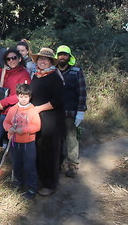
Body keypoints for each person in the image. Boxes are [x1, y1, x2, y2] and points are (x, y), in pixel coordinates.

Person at [30, 48, 65, 196]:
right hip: (37, 119)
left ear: (51, 62)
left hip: (51, 121)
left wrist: (38, 109)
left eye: (46, 59)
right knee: (39, 150)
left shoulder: (54, 77)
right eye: (40, 59)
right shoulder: (37, 76)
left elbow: (58, 100)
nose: (42, 61)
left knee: (49, 152)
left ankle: (50, 184)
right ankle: (41, 179)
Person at [3, 84, 41, 200]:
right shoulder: (13, 109)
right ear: (17, 96)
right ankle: (18, 183)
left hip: (28, 143)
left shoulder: (32, 110)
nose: (23, 99)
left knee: (29, 166)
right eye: (21, 96)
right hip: (15, 142)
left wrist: (23, 130)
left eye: (26, 96)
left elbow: (37, 126)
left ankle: (31, 188)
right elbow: (6, 122)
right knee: (16, 164)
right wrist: (9, 129)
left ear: (30, 97)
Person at [56, 45, 87, 178]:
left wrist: (81, 111)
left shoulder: (76, 71)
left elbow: (82, 92)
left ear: (69, 57)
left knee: (71, 138)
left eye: (65, 54)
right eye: (60, 55)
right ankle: (58, 163)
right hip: (55, 112)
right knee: (57, 139)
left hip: (71, 111)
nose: (62, 57)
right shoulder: (53, 71)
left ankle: (72, 165)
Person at [0, 49, 31, 148]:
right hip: (1, 112)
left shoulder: (24, 74)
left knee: (14, 142)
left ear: (20, 59)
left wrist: (3, 103)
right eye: (8, 59)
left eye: (14, 58)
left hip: (16, 113)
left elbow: (22, 94)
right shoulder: (3, 73)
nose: (11, 61)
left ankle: (14, 161)